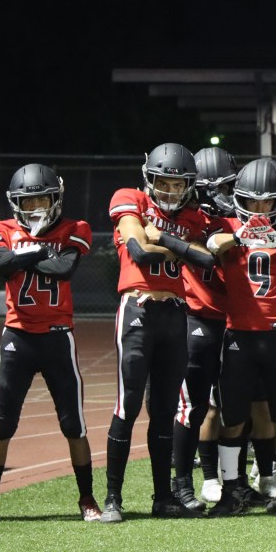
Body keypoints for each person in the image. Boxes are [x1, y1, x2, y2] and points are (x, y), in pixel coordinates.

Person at [0, 164, 101, 524]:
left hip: (58, 337)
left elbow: (65, 269)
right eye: (29, 201)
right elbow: (0, 265)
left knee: (74, 424)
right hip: (18, 336)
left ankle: (87, 499)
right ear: (16, 203)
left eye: (43, 199)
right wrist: (43, 253)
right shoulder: (2, 228)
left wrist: (22, 259)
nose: (36, 207)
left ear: (56, 199)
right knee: (2, 424)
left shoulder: (75, 228)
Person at [102, 143, 214, 522]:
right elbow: (139, 251)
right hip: (138, 309)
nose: (168, 190)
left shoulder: (192, 217)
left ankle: (163, 497)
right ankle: (113, 498)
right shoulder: (129, 199)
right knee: (129, 404)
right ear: (149, 179)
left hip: (175, 314)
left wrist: (163, 239)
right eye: (162, 182)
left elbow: (206, 259)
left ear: (188, 186)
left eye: (176, 184)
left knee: (165, 409)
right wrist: (180, 249)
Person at [203, 158, 276, 516]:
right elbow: (212, 244)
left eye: (267, 202)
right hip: (238, 336)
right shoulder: (228, 226)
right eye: (252, 202)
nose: (260, 209)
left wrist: (275, 238)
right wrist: (239, 236)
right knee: (232, 420)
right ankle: (231, 490)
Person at [171, 146, 237, 512]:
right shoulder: (186, 220)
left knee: (235, 407)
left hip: (237, 320)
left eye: (225, 187)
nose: (220, 195)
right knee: (193, 407)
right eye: (214, 188)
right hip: (197, 318)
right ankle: (184, 483)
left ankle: (234, 482)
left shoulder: (240, 220)